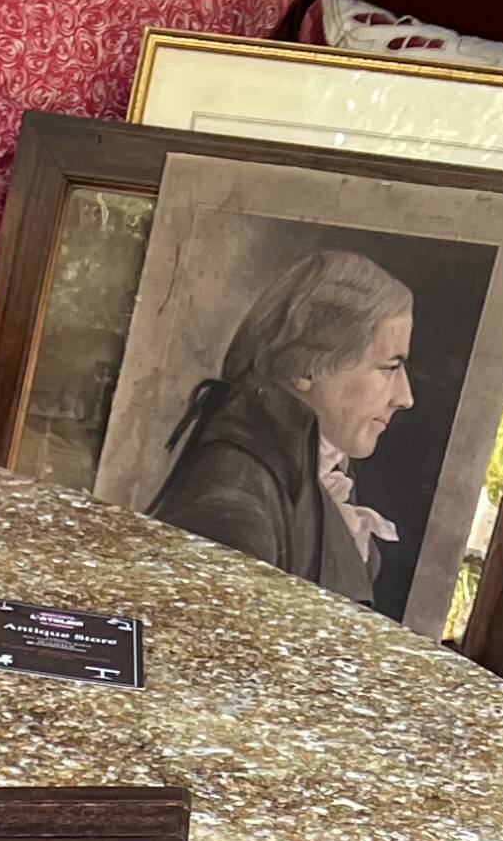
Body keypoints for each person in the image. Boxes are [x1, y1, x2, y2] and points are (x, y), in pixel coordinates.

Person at [145, 251, 418, 606]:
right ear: (307, 367)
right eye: (389, 367)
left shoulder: (313, 471)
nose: (405, 397)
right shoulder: (236, 490)